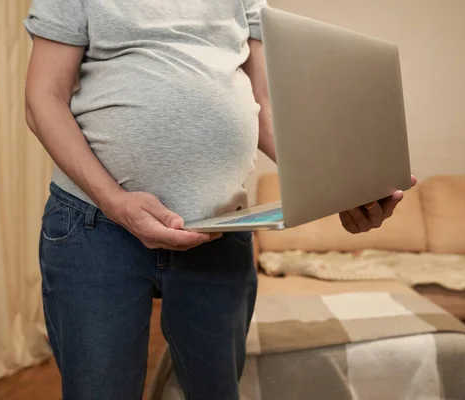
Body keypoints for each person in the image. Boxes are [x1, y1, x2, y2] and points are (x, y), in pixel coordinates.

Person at [23, 1, 416, 399]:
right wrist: (113, 202)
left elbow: (265, 108)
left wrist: (339, 183)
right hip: (95, 228)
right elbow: (44, 99)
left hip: (221, 230)